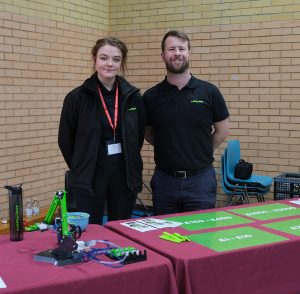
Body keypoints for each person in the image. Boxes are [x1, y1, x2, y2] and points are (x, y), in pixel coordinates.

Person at [58, 37, 145, 225]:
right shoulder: (76, 98)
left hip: (123, 174)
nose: (109, 64)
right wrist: (81, 165)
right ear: (94, 59)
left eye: (116, 59)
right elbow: (65, 140)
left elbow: (137, 137)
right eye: (104, 58)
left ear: (122, 62)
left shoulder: (133, 97)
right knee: (90, 230)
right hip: (90, 174)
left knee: (121, 228)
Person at [143, 30, 230, 215]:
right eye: (171, 49)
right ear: (163, 55)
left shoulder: (209, 92)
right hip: (165, 182)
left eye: (181, 48)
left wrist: (200, 149)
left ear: (189, 52)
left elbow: (222, 131)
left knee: (201, 238)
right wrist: (170, 146)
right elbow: (148, 133)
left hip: (200, 181)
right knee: (163, 238)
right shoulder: (151, 97)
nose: (177, 53)